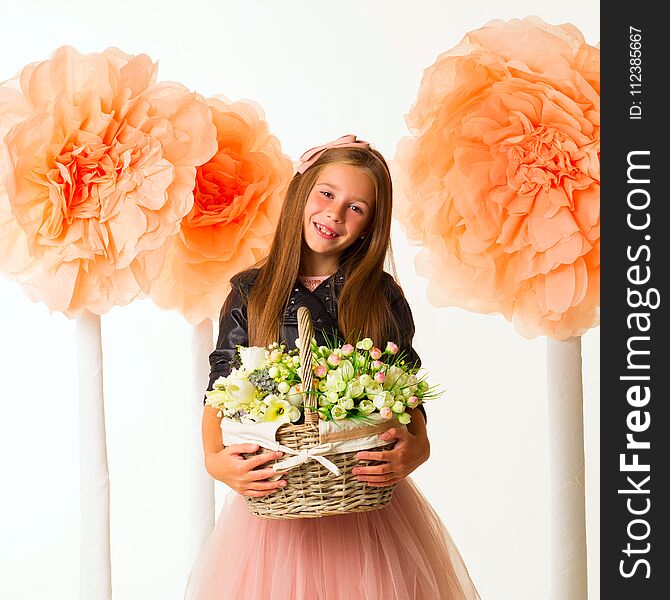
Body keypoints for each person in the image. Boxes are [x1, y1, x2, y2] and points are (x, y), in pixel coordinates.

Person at [184, 135, 480, 599]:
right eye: (326, 193)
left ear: (370, 227)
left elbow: (406, 388)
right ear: (302, 193)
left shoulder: (378, 295)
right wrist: (214, 460)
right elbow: (222, 383)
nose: (335, 214)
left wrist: (418, 449)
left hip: (363, 502)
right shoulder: (251, 293)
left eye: (356, 207)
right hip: (279, 498)